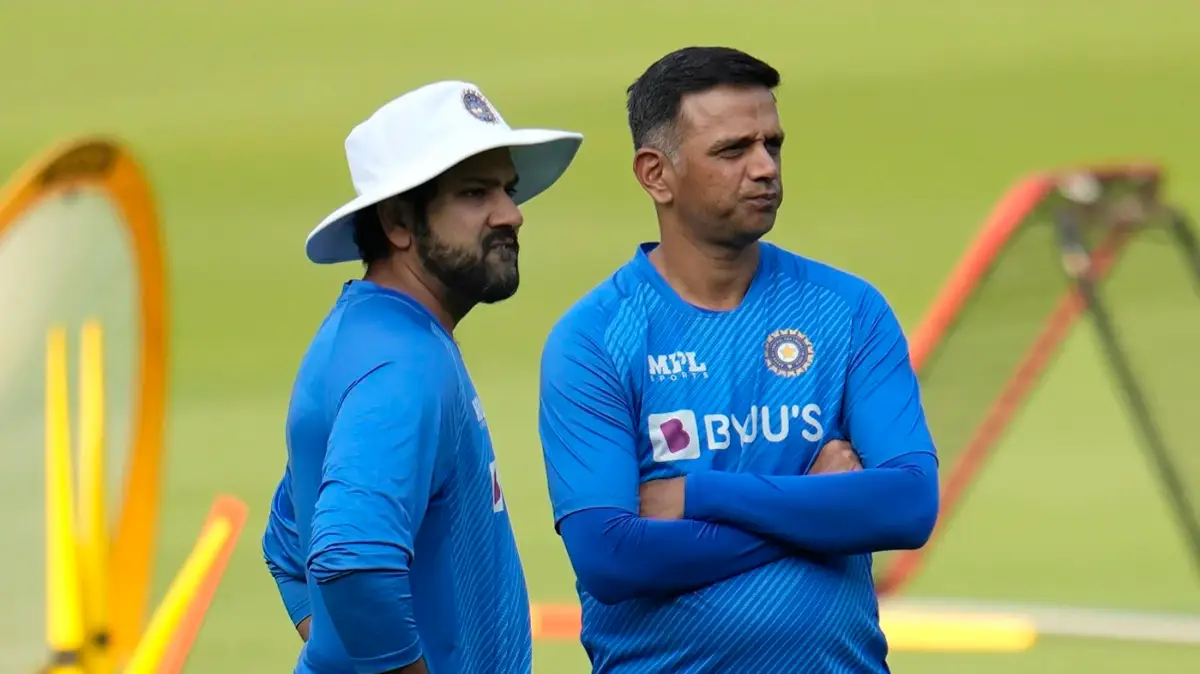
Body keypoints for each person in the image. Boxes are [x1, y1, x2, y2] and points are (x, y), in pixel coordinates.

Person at [537, 46, 939, 673]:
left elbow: (908, 505)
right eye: (732, 150)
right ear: (656, 174)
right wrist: (815, 502)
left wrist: (701, 494)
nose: (764, 168)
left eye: (772, 144)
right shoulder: (594, 340)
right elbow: (611, 558)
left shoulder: (849, 310)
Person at [262, 80, 583, 674]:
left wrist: (345, 655)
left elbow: (288, 545)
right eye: (475, 193)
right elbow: (350, 560)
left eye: (508, 190)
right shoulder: (402, 365)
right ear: (398, 222)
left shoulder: (371, 333)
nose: (511, 214)